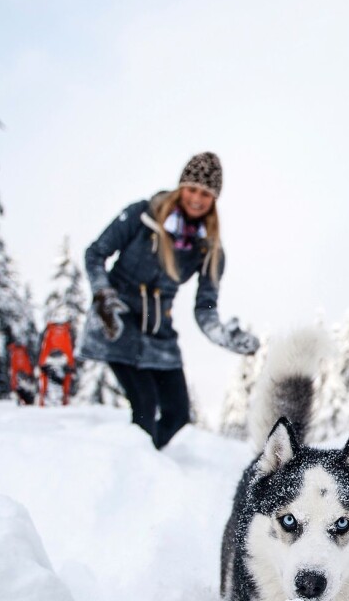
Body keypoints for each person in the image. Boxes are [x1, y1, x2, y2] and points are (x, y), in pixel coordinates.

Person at [78, 151, 258, 449]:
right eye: (192, 189)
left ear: (214, 199)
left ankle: (143, 461)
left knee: (177, 414)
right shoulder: (142, 215)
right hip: (118, 319)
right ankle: (125, 467)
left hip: (158, 331)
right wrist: (103, 294)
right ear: (180, 187)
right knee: (145, 406)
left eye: (206, 193)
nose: (197, 199)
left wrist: (222, 334)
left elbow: (206, 305)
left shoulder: (209, 249)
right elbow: (95, 253)